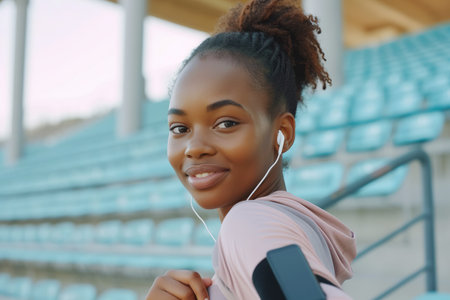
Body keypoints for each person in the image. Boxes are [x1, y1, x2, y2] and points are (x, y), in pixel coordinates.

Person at [146, 0, 356, 299]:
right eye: (180, 128)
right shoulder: (290, 223)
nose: (194, 148)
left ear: (281, 133)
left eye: (226, 123)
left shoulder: (249, 223)